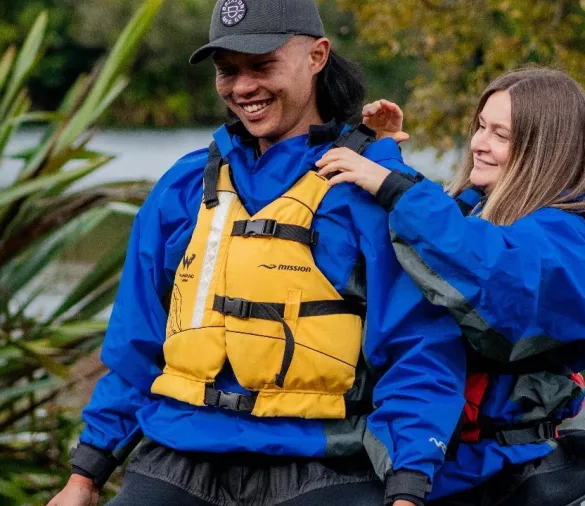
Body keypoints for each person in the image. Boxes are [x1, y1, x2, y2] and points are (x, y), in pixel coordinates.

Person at [47, 1, 465, 506]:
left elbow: (419, 350)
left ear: (317, 55)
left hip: (321, 463)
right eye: (228, 71)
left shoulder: (368, 188)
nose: (242, 88)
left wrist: (408, 488)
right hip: (180, 457)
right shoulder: (183, 186)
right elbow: (136, 344)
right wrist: (85, 475)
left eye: (262, 66)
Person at [316, 67, 585, 506]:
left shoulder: (566, 241)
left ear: (544, 151)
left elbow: (483, 265)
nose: (479, 143)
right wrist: (376, 150)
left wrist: (389, 182)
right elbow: (433, 227)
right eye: (480, 126)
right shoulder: (474, 213)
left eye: (502, 135)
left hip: (501, 474)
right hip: (451, 464)